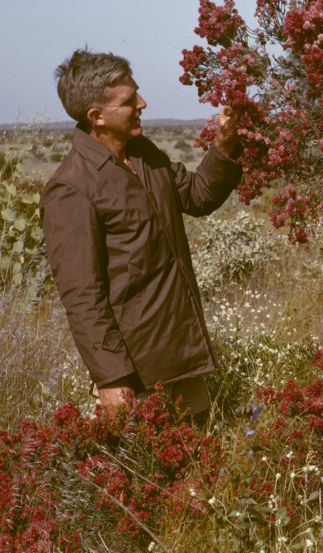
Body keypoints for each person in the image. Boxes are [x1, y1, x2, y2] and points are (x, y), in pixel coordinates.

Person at [42, 49, 242, 419]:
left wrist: (224, 147)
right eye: (129, 100)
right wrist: (111, 377)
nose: (142, 103)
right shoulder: (71, 188)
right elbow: (83, 298)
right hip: (136, 376)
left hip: (185, 356)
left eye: (138, 93)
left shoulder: (144, 154)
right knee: (151, 474)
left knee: (202, 467)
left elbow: (197, 196)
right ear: (96, 117)